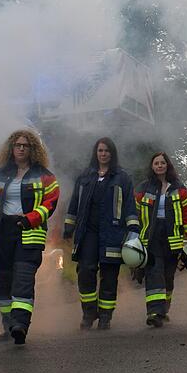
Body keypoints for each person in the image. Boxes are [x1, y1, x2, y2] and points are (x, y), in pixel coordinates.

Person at [0, 129, 60, 345]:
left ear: (33, 149)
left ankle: (21, 326)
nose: (21, 148)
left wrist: (31, 218)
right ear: (11, 148)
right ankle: (8, 325)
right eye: (18, 145)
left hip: (28, 232)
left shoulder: (44, 176)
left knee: (23, 280)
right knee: (5, 283)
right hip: (1, 234)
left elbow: (50, 203)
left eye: (26, 145)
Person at [63, 137, 139, 330]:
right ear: (95, 153)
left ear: (112, 154)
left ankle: (105, 315)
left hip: (112, 232)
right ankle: (89, 312)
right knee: (85, 270)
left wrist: (133, 230)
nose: (103, 154)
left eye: (106, 151)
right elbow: (74, 202)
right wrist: (69, 226)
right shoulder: (85, 177)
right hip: (88, 231)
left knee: (109, 274)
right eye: (100, 150)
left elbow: (130, 204)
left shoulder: (122, 178)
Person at [134, 152, 187, 327]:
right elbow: (135, 213)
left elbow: (186, 215)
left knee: (168, 276)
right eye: (156, 163)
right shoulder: (143, 188)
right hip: (151, 236)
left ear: (167, 165)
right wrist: (133, 236)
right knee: (154, 272)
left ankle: (164, 307)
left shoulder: (179, 188)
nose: (159, 166)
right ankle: (154, 312)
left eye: (162, 163)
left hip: (172, 237)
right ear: (152, 167)